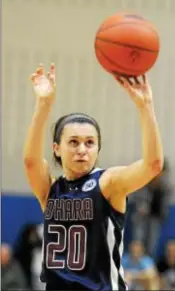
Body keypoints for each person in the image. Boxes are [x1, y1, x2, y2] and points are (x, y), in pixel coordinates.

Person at [23, 63, 163, 291]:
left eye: (90, 142)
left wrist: (146, 106)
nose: (82, 149)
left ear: (98, 149)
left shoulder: (108, 183)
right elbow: (30, 161)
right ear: (57, 148)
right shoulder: (51, 190)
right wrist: (43, 105)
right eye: (73, 142)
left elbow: (153, 165)